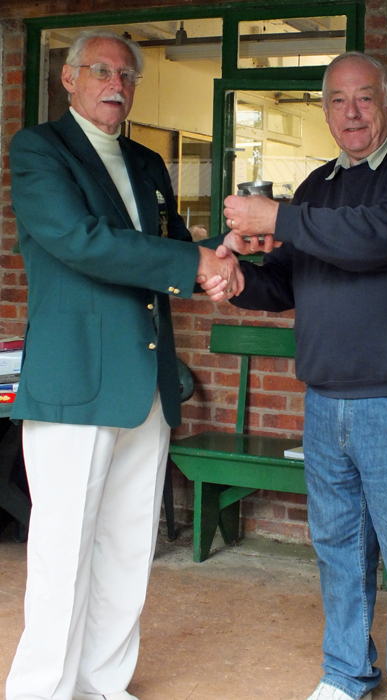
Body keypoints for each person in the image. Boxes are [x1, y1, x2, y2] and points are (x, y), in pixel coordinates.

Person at [205, 52, 387, 700]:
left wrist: (275, 218)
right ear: (323, 110)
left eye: (364, 98)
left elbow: (378, 236)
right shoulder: (319, 185)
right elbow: (290, 279)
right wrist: (238, 281)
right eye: (336, 100)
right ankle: (345, 672)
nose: (350, 112)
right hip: (325, 400)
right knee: (340, 554)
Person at [6, 29, 241, 700]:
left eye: (127, 75)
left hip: (145, 380)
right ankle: (42, 692)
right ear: (70, 81)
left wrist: (218, 257)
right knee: (63, 551)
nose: (117, 83)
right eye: (101, 70)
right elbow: (80, 241)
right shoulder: (40, 150)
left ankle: (103, 685)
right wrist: (189, 263)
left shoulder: (144, 162)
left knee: (127, 546)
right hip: (76, 379)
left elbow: (164, 249)